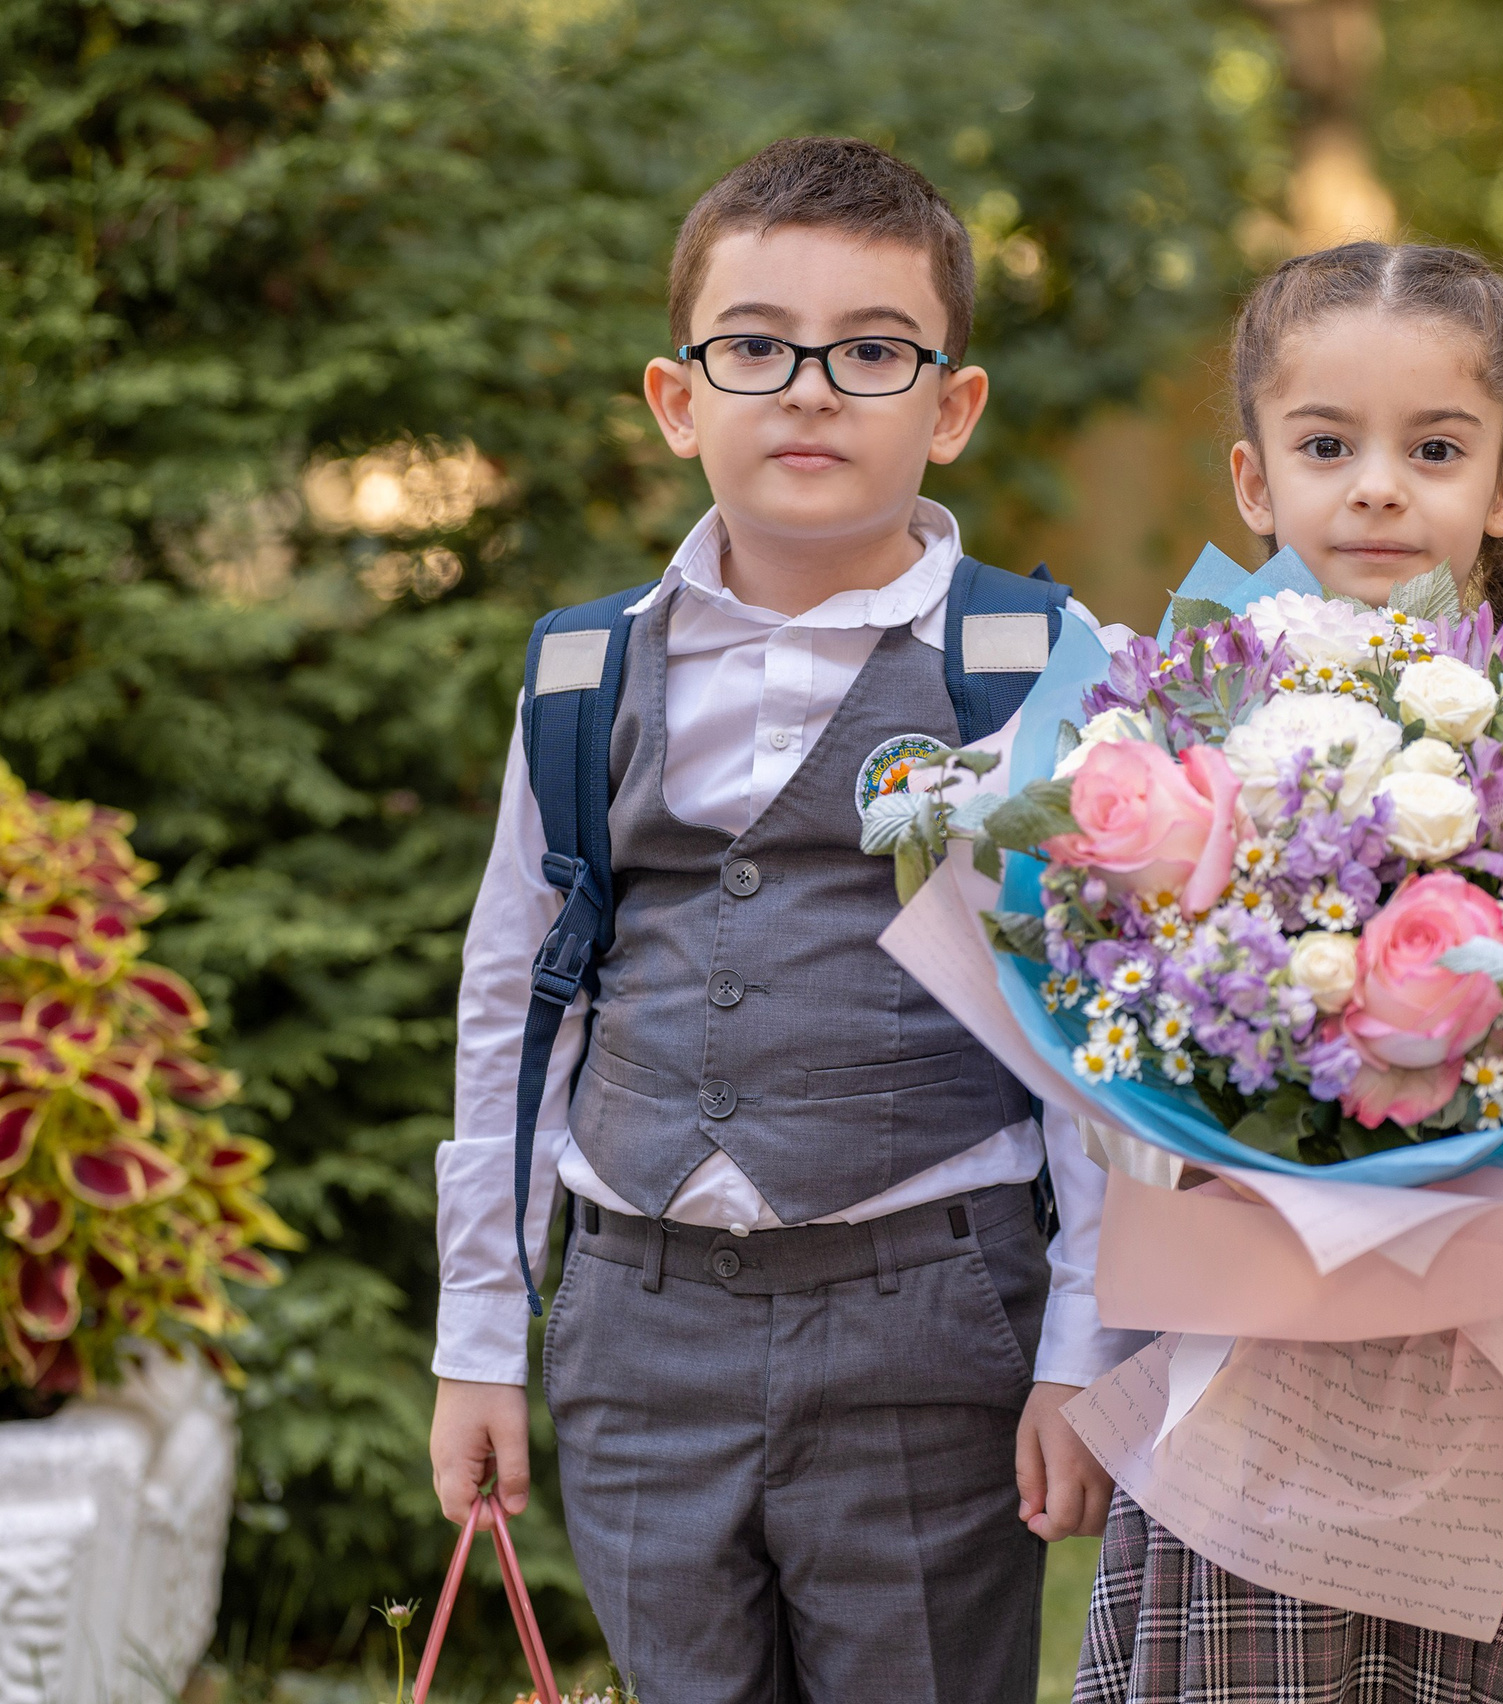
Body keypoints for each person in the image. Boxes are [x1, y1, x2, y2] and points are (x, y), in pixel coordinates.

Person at [427, 137, 1139, 1704]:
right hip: (636, 1328)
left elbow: (1105, 1037)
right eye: (755, 346)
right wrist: (479, 1332)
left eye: (872, 351)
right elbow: (513, 1002)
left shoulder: (1039, 661)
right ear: (679, 398)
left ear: (950, 407)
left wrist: (1085, 1348)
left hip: (926, 1324)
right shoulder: (578, 674)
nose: (809, 389)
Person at [1072, 241, 1503, 1704]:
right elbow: (1109, 1003)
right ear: (1253, 482)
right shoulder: (1172, 714)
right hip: (1260, 1341)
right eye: (1326, 444)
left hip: (1496, 1331)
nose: (1376, 485)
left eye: (1433, 447)